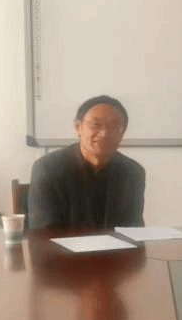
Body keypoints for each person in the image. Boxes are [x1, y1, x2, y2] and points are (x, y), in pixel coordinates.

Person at [27, 95, 145, 230]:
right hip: (61, 244)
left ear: (122, 133)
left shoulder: (133, 171)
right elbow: (43, 232)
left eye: (113, 126)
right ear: (78, 128)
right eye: (96, 124)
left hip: (116, 244)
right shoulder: (48, 168)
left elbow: (134, 229)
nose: (104, 133)